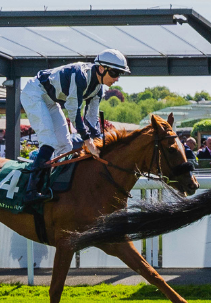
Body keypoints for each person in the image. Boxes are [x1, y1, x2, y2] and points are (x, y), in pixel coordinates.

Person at [20, 49, 131, 198]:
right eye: (115, 73)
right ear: (101, 68)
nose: (117, 78)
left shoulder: (98, 89)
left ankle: (53, 187)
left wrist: (99, 143)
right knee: (49, 141)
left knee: (65, 146)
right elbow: (73, 111)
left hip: (50, 100)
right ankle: (31, 190)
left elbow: (91, 120)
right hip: (34, 92)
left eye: (120, 74)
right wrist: (88, 141)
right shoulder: (81, 76)